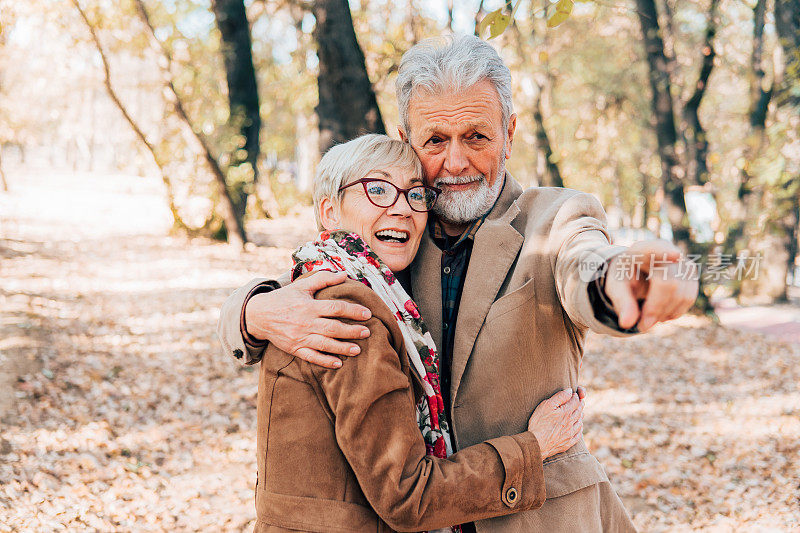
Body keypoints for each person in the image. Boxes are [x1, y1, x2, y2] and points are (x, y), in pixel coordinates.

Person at [218, 36, 698, 532]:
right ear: (407, 139)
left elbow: (584, 263)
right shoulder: (392, 233)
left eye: (476, 136)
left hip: (538, 519)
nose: (455, 162)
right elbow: (311, 282)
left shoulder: (555, 218)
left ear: (508, 134)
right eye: (435, 140)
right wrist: (253, 313)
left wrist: (619, 284)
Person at [250, 133, 585, 532]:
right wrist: (534, 448)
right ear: (330, 211)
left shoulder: (317, 284)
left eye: (415, 195)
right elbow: (408, 494)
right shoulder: (349, 312)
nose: (401, 209)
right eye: (377, 189)